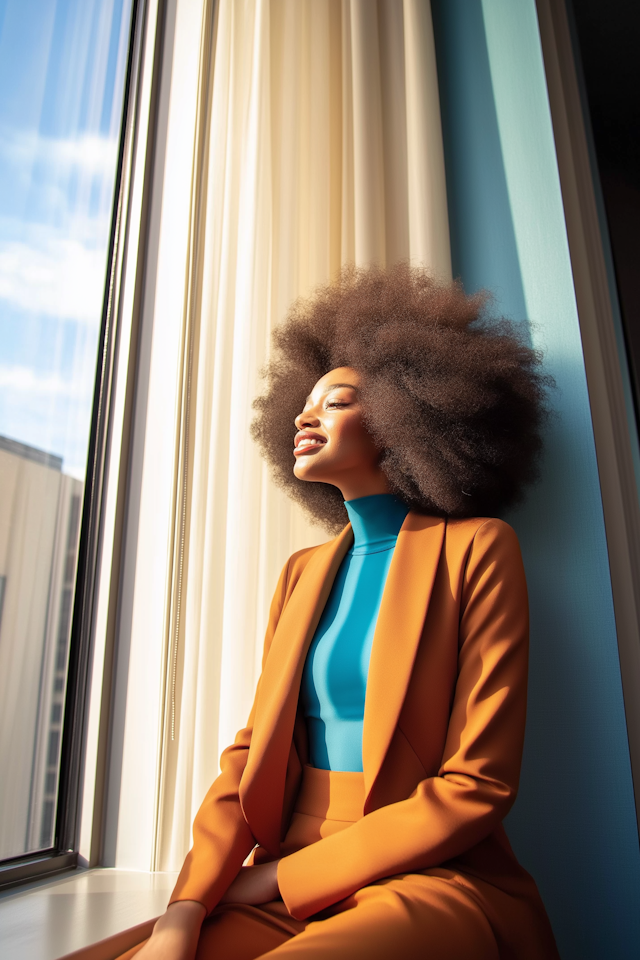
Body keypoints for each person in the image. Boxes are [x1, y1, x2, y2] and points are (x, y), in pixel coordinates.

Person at [126, 264, 560, 959]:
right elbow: (251, 756)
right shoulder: (301, 576)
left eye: (338, 402)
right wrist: (186, 907)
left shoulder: (478, 551)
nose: (304, 414)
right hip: (279, 865)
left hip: (423, 875)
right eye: (306, 402)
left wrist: (276, 880)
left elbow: (478, 783)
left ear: (403, 415)